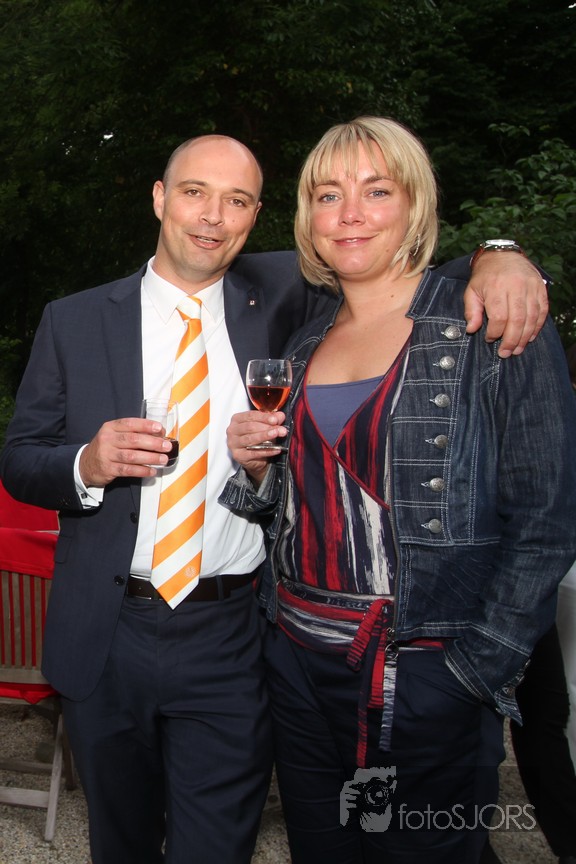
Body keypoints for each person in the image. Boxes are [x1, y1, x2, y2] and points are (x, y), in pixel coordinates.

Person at [0, 132, 549, 864]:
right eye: (194, 192)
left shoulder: (287, 295)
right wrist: (86, 464)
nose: (212, 216)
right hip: (107, 633)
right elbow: (20, 460)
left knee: (217, 846)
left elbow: (393, 264)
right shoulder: (73, 319)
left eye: (236, 201)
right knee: (120, 842)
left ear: (257, 216)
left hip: (234, 635)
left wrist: (499, 253)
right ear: (160, 199)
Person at [222, 117, 576, 864]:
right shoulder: (304, 343)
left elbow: (545, 521)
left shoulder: (485, 323)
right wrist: (258, 472)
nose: (349, 213)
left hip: (417, 671)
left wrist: (471, 673)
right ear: (309, 219)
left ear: (415, 204)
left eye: (377, 190)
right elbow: (305, 504)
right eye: (328, 195)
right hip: (298, 666)